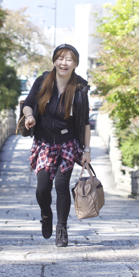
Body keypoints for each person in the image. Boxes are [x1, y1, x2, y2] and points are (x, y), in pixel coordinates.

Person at [23, 44, 91, 247]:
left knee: (62, 185)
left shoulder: (80, 88)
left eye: (69, 59)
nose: (64, 63)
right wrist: (29, 116)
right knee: (42, 189)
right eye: (60, 58)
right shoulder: (43, 81)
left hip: (68, 143)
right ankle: (46, 214)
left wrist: (87, 151)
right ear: (54, 61)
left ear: (75, 64)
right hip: (44, 143)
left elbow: (85, 122)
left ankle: (62, 228)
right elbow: (28, 102)